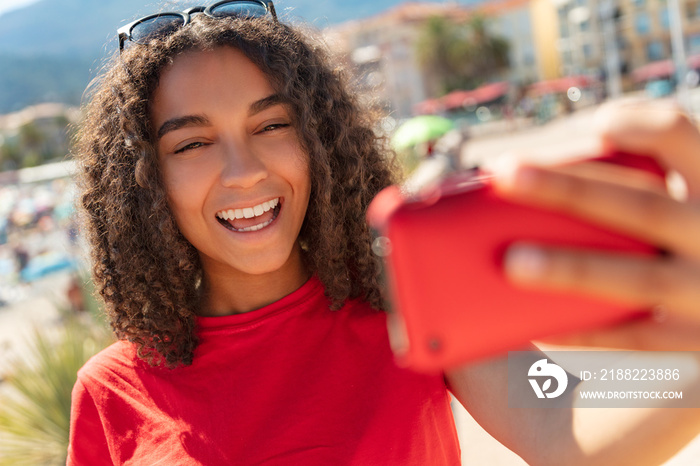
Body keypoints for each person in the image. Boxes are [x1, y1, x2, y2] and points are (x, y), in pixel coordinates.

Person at [68, 2, 700, 465]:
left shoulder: (410, 302)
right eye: (194, 142)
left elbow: (568, 411)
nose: (246, 171)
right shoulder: (111, 390)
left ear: (319, 139)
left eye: (272, 126)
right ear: (144, 179)